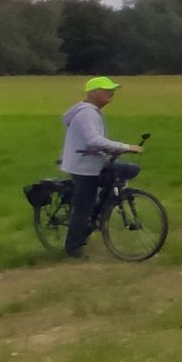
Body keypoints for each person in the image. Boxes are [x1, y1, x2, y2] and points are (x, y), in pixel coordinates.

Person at [57, 76, 141, 258]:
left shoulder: (91, 111)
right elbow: (93, 140)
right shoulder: (87, 113)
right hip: (83, 166)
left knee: (129, 170)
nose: (112, 93)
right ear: (93, 92)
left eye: (112, 90)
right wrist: (125, 147)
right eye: (107, 90)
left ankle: (101, 209)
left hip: (93, 162)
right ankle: (73, 248)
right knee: (83, 208)